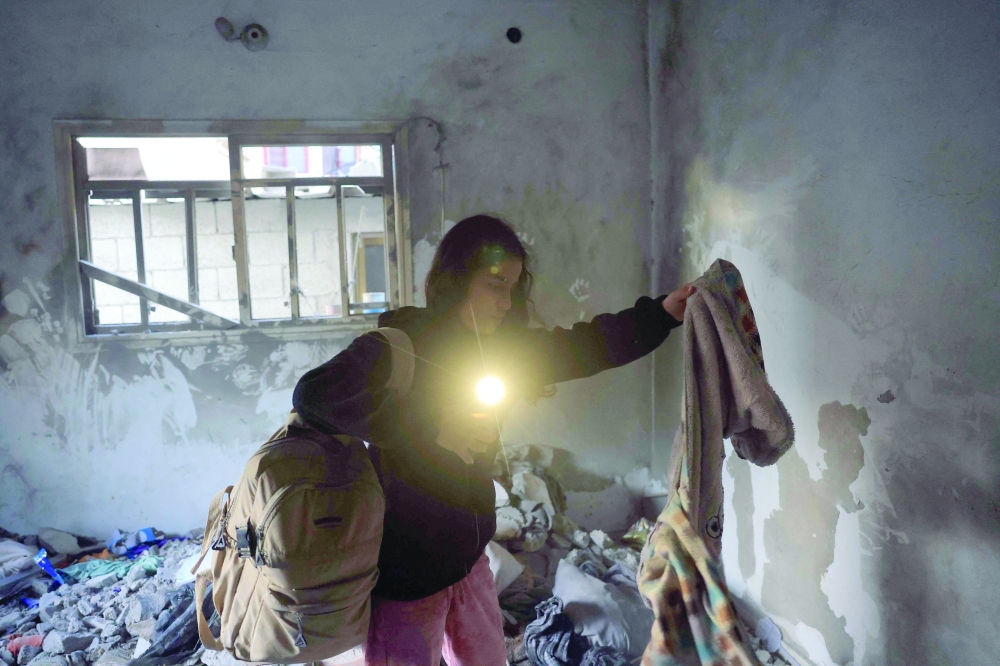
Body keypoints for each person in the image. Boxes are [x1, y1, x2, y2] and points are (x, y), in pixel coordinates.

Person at [292, 215, 696, 666]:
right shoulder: (399, 343)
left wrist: (662, 314)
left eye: (514, 287)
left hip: (469, 564)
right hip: (405, 578)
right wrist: (432, 427)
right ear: (457, 277)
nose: (507, 301)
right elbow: (314, 395)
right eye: (495, 284)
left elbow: (584, 347)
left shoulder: (499, 348)